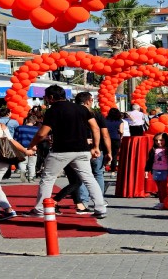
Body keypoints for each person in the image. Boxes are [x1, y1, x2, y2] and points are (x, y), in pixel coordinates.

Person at [25, 85, 108, 219]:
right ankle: (100, 208)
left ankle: (40, 209)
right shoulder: (81, 108)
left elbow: (42, 133)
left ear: (51, 97)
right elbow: (95, 128)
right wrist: (96, 146)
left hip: (61, 150)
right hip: (82, 150)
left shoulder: (53, 111)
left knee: (47, 179)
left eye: (46, 97)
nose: (45, 100)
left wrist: (31, 145)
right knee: (89, 179)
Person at [75, 92, 111, 206]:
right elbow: (105, 135)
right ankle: (99, 200)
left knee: (81, 174)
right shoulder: (97, 115)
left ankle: (84, 200)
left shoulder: (73, 114)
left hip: (79, 148)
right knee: (98, 173)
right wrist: (109, 152)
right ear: (88, 101)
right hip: (96, 148)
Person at [145, 132, 168, 209]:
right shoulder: (153, 150)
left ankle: (164, 202)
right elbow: (150, 161)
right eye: (156, 140)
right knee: (159, 189)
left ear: (166, 140)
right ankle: (161, 202)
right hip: (155, 170)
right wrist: (146, 170)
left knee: (163, 188)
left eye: (161, 140)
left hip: (166, 171)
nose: (158, 142)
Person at [13, 115, 39, 182]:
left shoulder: (19, 128)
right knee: (32, 164)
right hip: (33, 148)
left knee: (22, 162)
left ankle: (22, 172)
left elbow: (15, 139)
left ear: (27, 120)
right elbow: (39, 139)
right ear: (35, 122)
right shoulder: (37, 129)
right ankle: (31, 177)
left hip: (22, 147)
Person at [105, 107, 124, 176]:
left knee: (105, 153)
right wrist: (121, 136)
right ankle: (113, 170)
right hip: (116, 139)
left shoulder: (105, 120)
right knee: (114, 155)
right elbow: (121, 131)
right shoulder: (120, 121)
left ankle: (104, 166)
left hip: (106, 138)